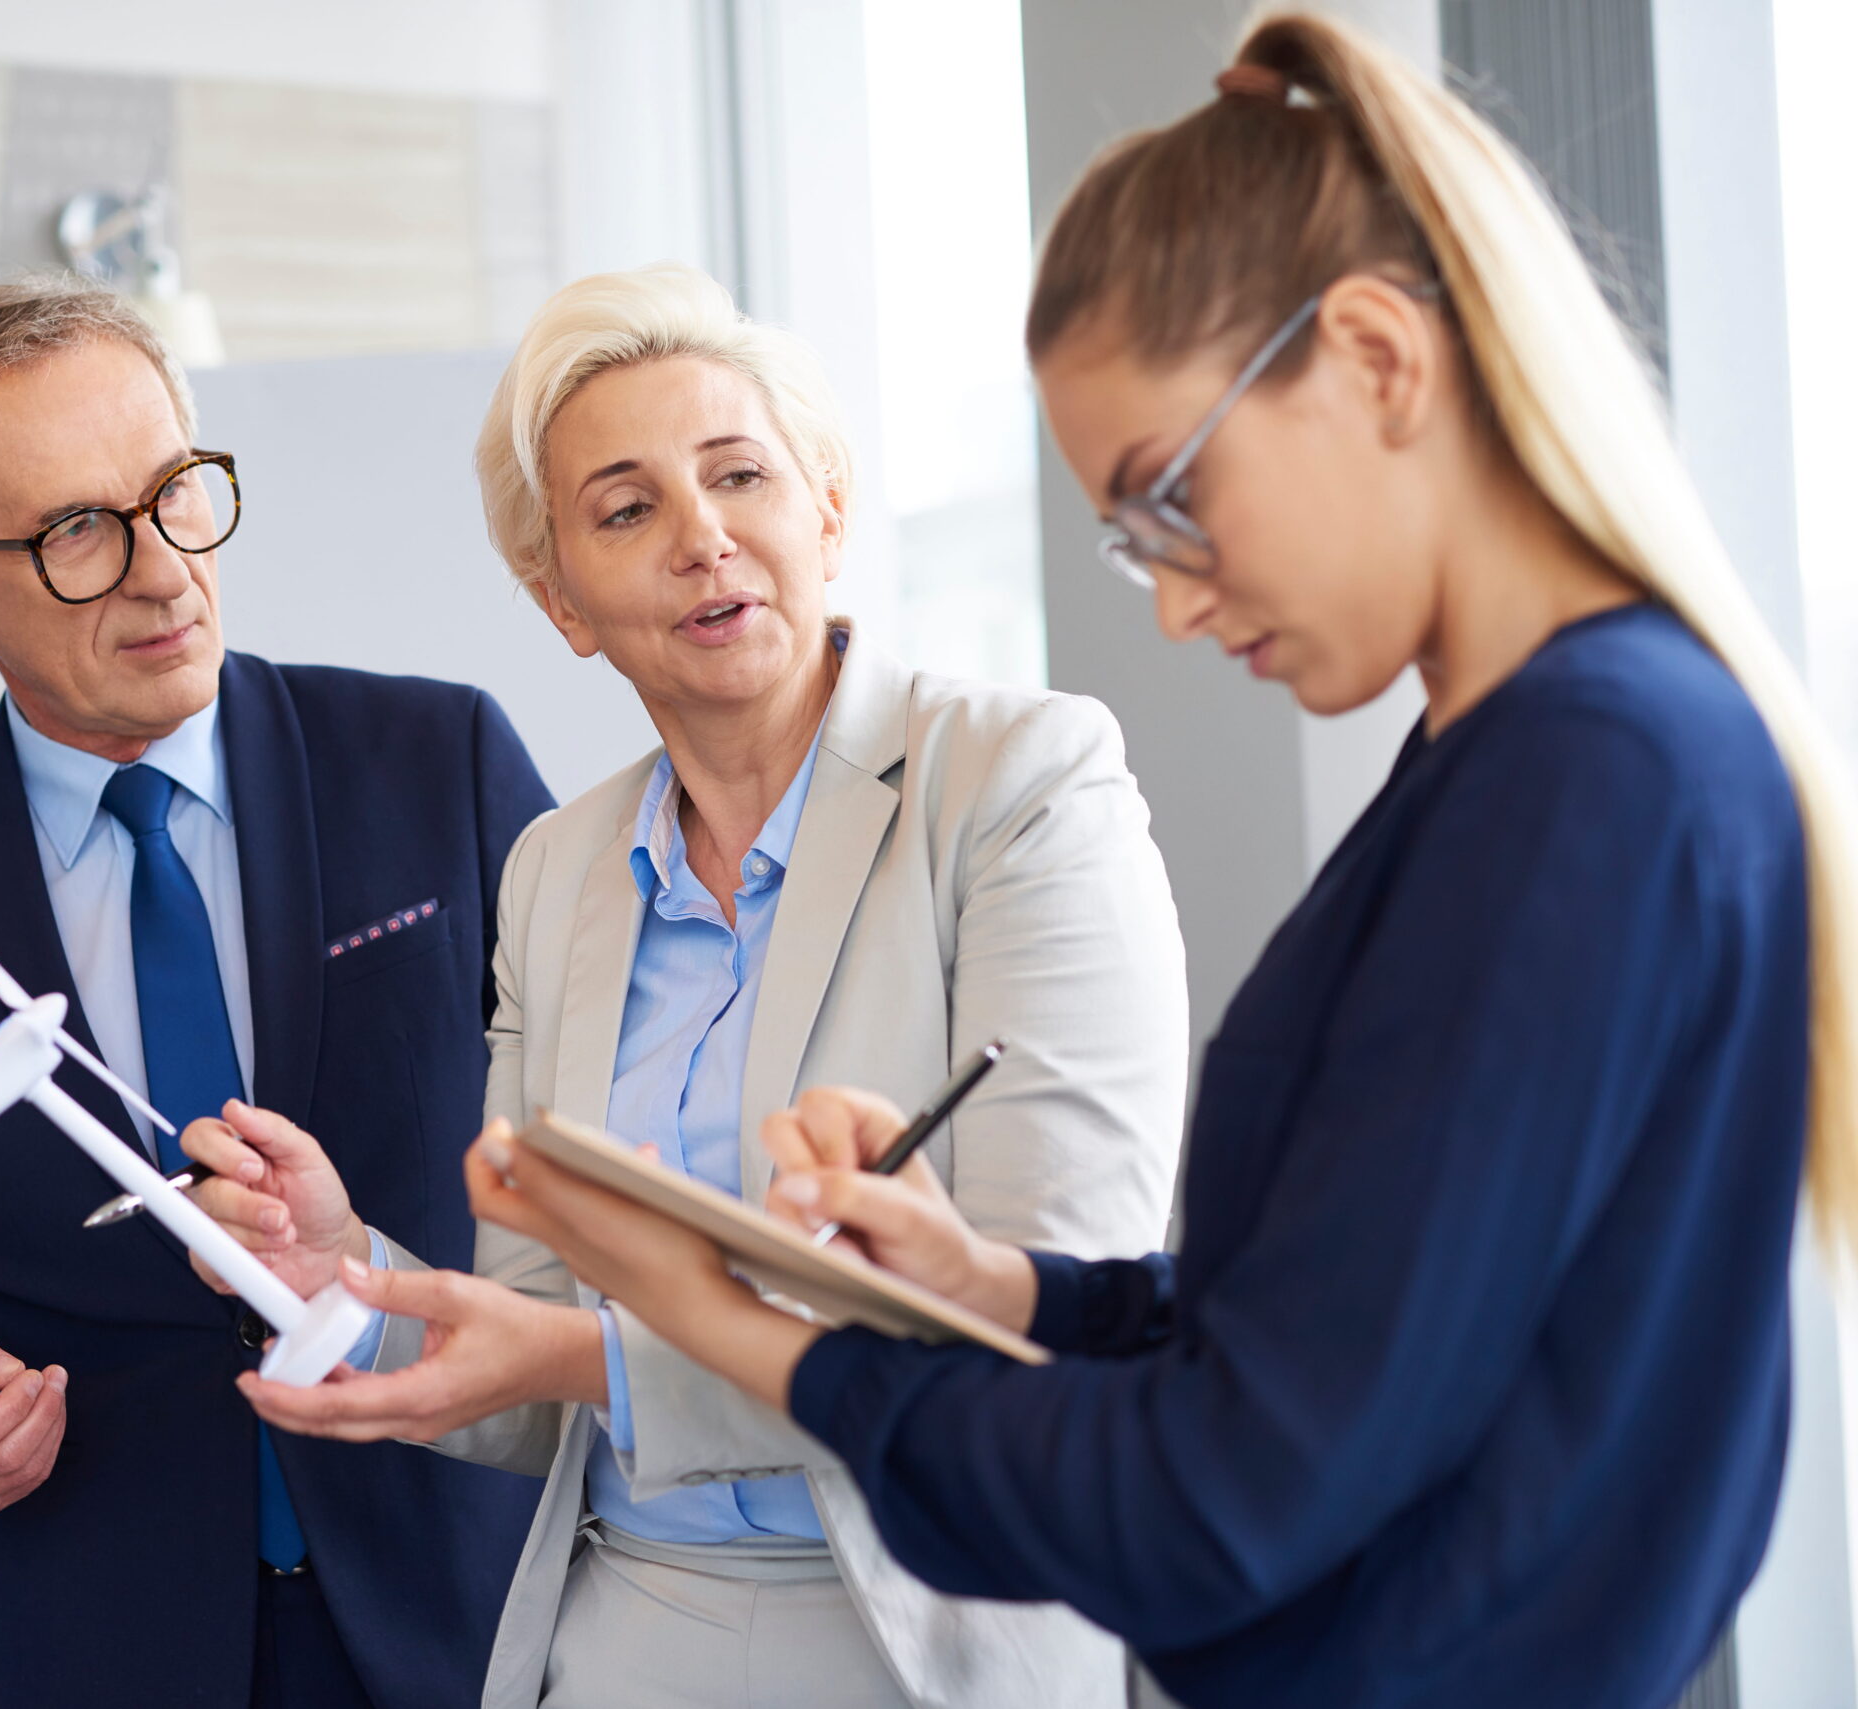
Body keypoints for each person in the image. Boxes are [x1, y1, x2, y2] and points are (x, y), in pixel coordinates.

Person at [461, 17, 1858, 1709]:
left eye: (1170, 502)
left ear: (1376, 360)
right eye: (1135, 548)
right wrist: (993, 1287)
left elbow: (1217, 1493)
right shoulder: (1538, 752)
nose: (1180, 603)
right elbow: (1333, 1330)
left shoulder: (1587, 773)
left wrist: (732, 1314)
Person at [178, 264, 1190, 1708]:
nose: (703, 537)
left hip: (934, 1630)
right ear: (561, 600)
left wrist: (607, 1357)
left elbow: (1038, 1312)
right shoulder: (555, 871)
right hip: (622, 1636)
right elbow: (529, 1365)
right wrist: (362, 1279)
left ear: (826, 509)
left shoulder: (1019, 785)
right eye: (627, 508)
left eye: (739, 475)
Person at [0, 275, 555, 1709]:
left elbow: (600, 1162)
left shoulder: (435, 761)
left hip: (470, 1609)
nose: (161, 568)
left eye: (178, 492)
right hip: (105, 1634)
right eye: (77, 529)